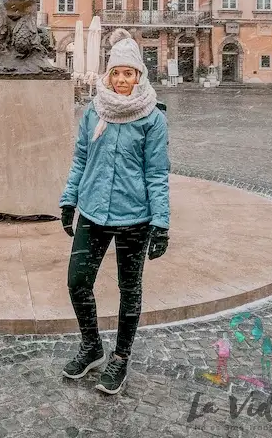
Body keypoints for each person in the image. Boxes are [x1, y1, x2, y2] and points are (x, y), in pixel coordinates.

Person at [59, 28, 170, 395]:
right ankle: (92, 347)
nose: (122, 80)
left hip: (134, 217)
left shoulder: (152, 118)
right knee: (78, 281)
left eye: (129, 73)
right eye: (116, 73)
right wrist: (69, 199)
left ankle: (120, 357)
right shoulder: (95, 111)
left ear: (139, 75)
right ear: (108, 76)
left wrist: (161, 222)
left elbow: (156, 173)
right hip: (92, 212)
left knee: (129, 289)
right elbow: (80, 158)